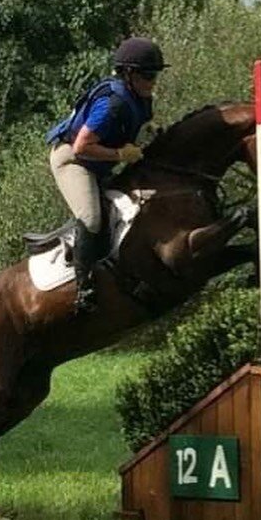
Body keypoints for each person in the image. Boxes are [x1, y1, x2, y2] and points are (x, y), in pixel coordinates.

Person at [46, 37, 170, 313]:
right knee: (91, 218)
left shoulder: (141, 97)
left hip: (96, 162)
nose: (153, 81)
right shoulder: (112, 103)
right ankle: (84, 288)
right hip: (73, 160)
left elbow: (142, 123)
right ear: (128, 74)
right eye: (148, 75)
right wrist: (120, 156)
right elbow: (82, 146)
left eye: (155, 74)